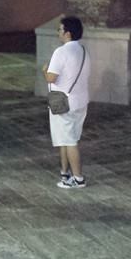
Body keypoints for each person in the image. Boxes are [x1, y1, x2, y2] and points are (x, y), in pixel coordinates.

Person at [43, 16, 91, 189]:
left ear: (68, 33)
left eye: (60, 29)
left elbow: (51, 77)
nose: (58, 32)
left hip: (63, 102)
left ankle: (78, 178)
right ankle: (65, 173)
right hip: (80, 101)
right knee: (67, 138)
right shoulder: (83, 51)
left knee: (69, 141)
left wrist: (44, 70)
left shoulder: (61, 52)